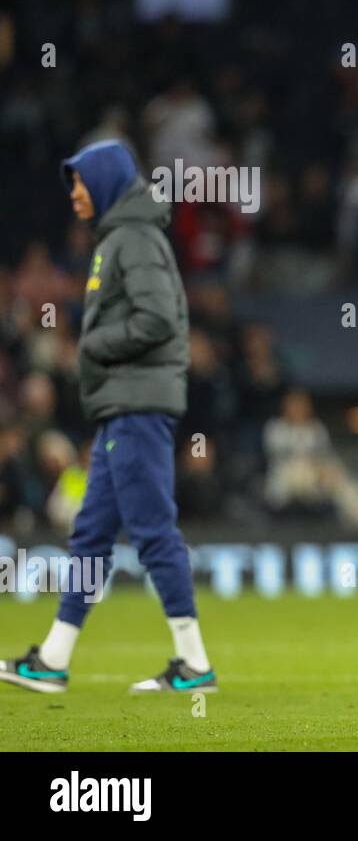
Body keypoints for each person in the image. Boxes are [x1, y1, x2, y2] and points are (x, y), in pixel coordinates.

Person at [0, 140, 216, 695]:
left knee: (151, 530)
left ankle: (194, 664)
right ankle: (53, 658)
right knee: (90, 535)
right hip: (123, 408)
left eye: (79, 182)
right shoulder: (122, 238)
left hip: (138, 408)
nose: (72, 194)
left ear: (103, 183)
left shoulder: (134, 239)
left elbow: (160, 319)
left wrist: (93, 345)